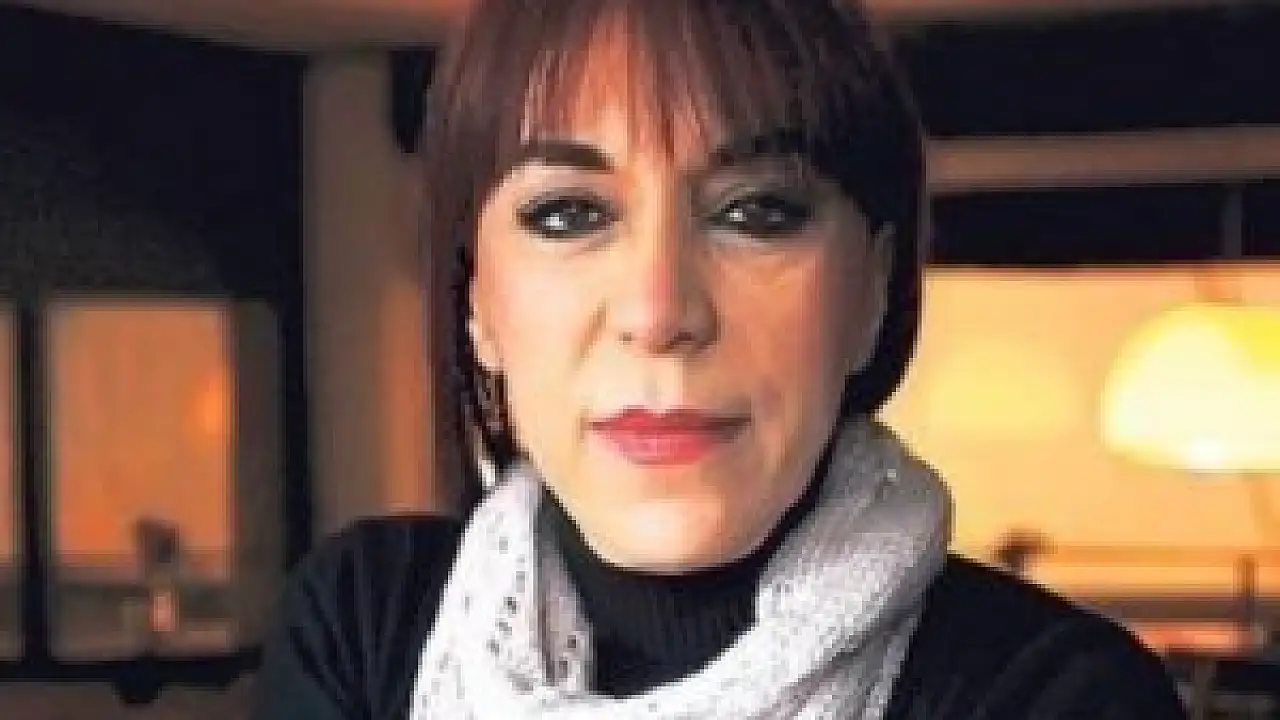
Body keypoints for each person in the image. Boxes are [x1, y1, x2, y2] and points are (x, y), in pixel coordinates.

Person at [253, 0, 1190, 717]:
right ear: (478, 305)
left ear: (871, 291)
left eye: (755, 212)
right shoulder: (368, 626)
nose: (659, 312)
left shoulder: (1054, 695)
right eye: (569, 214)